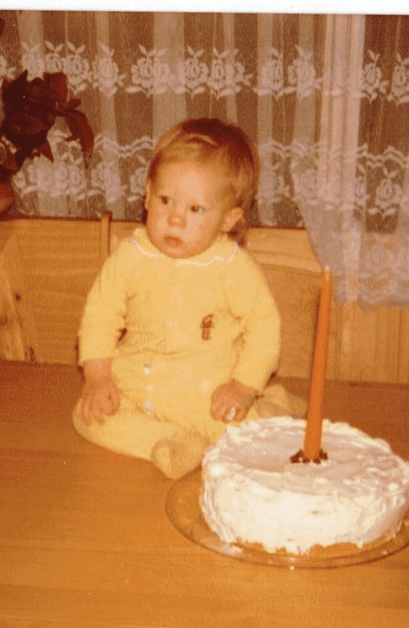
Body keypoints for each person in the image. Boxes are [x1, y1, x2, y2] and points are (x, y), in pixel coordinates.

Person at [72, 117, 304, 479]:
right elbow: (101, 314)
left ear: (228, 220)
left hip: (206, 392)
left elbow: (263, 326)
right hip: (136, 383)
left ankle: (269, 404)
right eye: (166, 200)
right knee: (88, 418)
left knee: (252, 440)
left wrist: (242, 387)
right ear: (147, 195)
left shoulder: (232, 267)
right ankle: (168, 442)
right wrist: (98, 376)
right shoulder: (130, 257)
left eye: (195, 209)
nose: (175, 219)